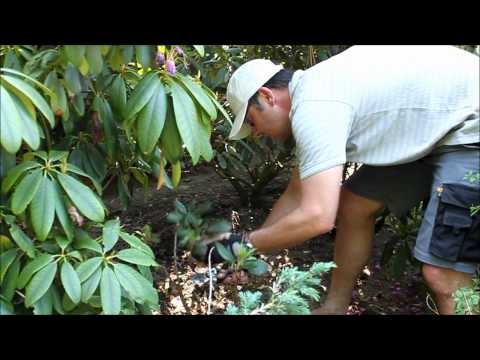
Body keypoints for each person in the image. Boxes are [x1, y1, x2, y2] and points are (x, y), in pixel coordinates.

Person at [201, 46, 480, 315]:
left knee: (443, 274)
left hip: (469, 127)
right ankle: (335, 308)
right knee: (353, 207)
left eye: (251, 121)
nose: (256, 133)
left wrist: (244, 243)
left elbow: (318, 217)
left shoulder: (315, 106)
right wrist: (244, 254)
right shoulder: (314, 93)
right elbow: (297, 194)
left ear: (267, 96)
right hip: (435, 129)